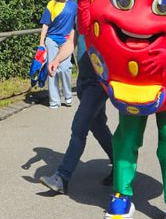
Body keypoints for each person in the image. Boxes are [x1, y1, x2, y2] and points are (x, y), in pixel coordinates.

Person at [39, 29, 114, 194]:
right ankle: (120, 163)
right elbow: (71, 41)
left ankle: (62, 177)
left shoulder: (104, 9)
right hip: (83, 80)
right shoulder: (80, 13)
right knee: (98, 126)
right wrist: (57, 59)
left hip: (98, 83)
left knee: (79, 128)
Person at [38, 0, 78, 109]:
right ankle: (54, 101)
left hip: (66, 40)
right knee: (52, 69)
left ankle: (67, 95)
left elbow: (78, 23)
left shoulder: (74, 5)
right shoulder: (51, 4)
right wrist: (42, 43)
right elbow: (45, 24)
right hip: (52, 39)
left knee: (65, 68)